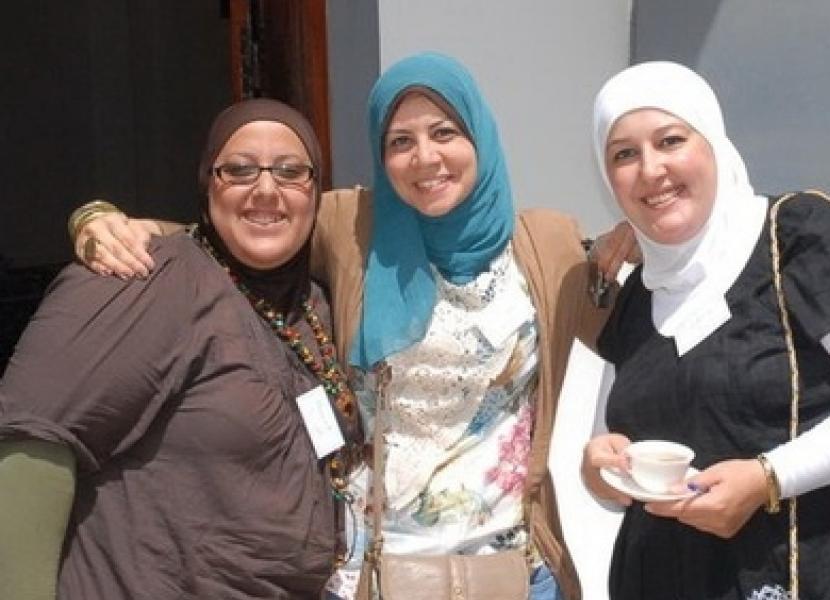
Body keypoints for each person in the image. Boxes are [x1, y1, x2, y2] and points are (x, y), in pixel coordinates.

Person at [66, 52, 618, 600]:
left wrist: (640, 237)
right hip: (373, 573)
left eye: (444, 132)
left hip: (516, 573)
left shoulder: (549, 243)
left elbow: (643, 314)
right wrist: (98, 220)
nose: (425, 158)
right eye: (400, 141)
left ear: (479, 135)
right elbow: (235, 230)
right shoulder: (351, 225)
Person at [582, 61, 830, 598]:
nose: (650, 169)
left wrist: (769, 478)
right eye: (624, 154)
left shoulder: (805, 241)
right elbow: (615, 449)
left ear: (711, 141)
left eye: (670, 141)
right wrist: (600, 471)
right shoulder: (638, 295)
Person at [0, 98, 360, 599]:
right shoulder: (143, 279)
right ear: (207, 183)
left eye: (290, 171)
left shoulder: (314, 305)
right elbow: (32, 440)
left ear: (316, 190)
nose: (265, 190)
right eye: (238, 170)